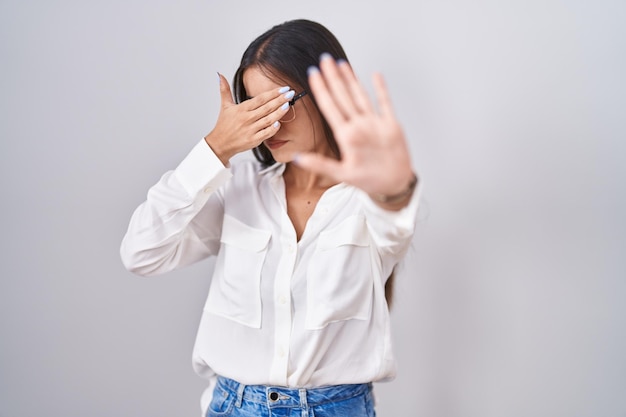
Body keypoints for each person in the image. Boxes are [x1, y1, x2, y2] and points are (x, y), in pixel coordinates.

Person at [120, 18, 421, 417]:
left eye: (281, 102)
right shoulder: (238, 189)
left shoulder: (367, 200)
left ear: (326, 94)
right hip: (234, 407)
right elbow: (140, 252)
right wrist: (214, 150)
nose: (270, 125)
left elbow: (394, 222)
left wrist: (395, 188)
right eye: (255, 110)